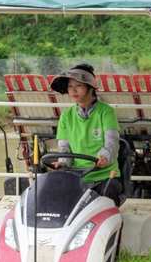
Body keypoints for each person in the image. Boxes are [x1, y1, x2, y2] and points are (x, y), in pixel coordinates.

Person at [49, 64, 123, 206]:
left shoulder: (106, 111)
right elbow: (64, 149)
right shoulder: (66, 116)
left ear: (90, 87)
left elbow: (112, 141)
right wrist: (62, 163)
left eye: (78, 85)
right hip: (77, 177)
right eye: (70, 86)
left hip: (105, 176)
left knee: (108, 197)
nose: (73, 90)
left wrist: (104, 157)